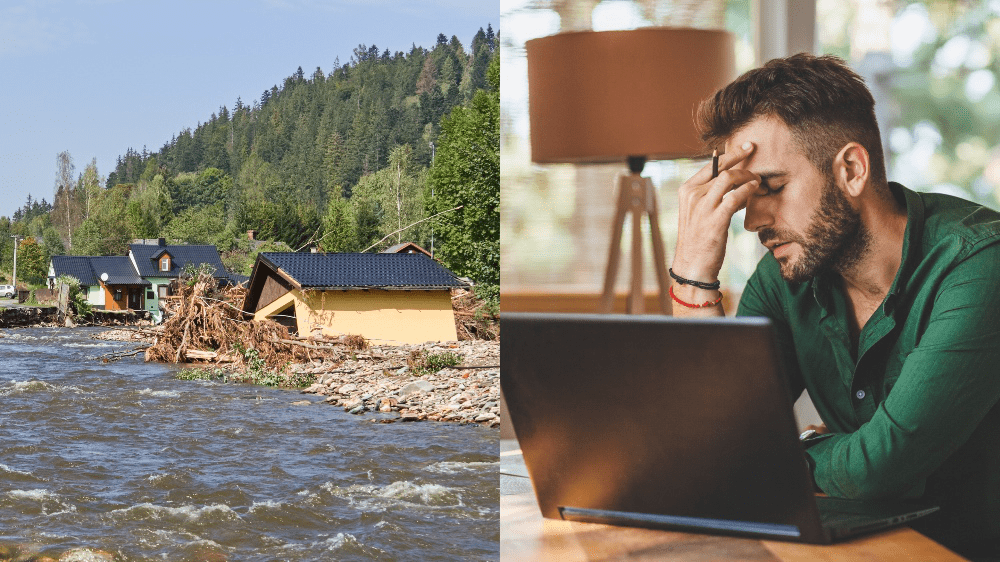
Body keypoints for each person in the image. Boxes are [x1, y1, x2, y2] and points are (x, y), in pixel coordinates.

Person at [669, 53, 1000, 559]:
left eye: (772, 187)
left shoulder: (980, 264)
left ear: (850, 168)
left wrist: (787, 448)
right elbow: (713, 444)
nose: (752, 219)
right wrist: (693, 272)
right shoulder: (784, 280)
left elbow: (881, 467)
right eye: (742, 195)